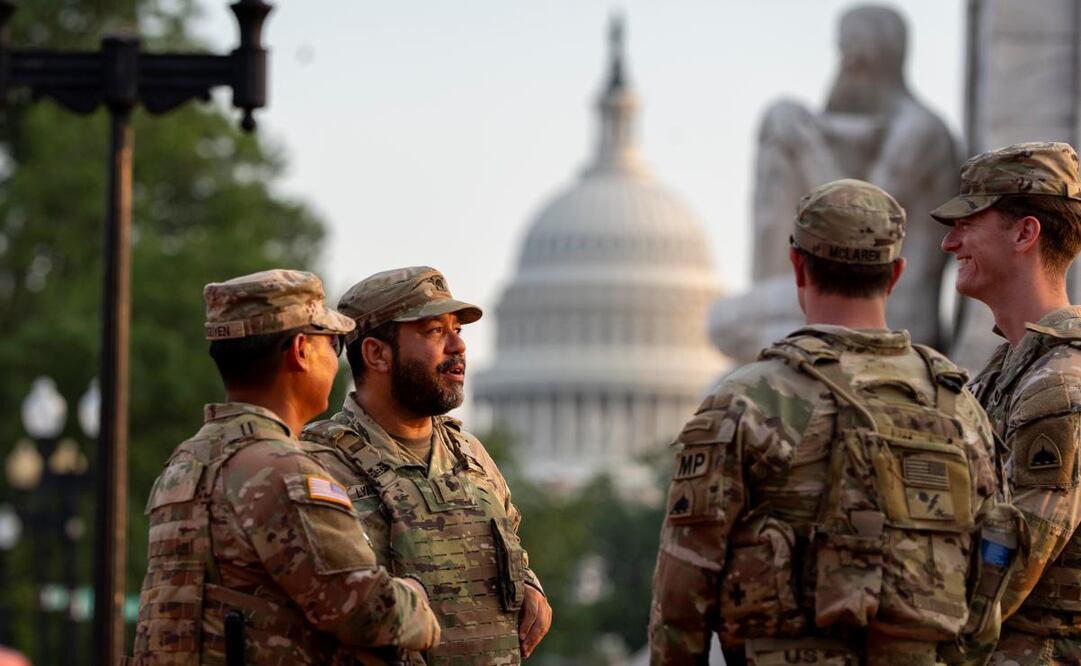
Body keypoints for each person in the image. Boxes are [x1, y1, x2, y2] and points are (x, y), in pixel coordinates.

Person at [650, 180, 1011, 665]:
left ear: (798, 265)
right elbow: (992, 579)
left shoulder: (747, 400)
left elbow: (684, 590)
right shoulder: (960, 406)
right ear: (897, 273)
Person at [130, 269, 440, 664]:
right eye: (333, 344)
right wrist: (417, 599)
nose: (335, 360)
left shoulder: (185, 462)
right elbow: (365, 611)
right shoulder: (282, 471)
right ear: (300, 350)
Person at [302, 266, 552, 665]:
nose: (458, 347)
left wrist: (528, 585)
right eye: (434, 331)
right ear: (377, 354)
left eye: (458, 330)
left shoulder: (471, 457)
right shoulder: (317, 467)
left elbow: (511, 549)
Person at [935, 141, 1081, 663]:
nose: (950, 244)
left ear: (1025, 233)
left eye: (968, 223)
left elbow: (1009, 568)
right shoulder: (1005, 372)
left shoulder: (1061, 383)